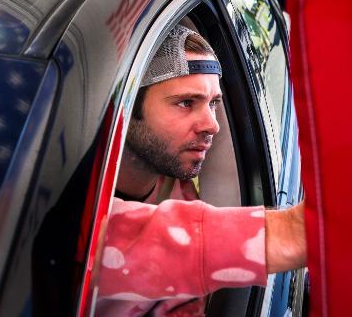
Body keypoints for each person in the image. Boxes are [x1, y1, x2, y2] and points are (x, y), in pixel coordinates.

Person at [96, 25, 306, 316]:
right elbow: (114, 240)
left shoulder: (190, 194)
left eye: (214, 103)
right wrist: (290, 232)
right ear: (126, 106)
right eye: (186, 102)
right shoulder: (65, 201)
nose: (213, 125)